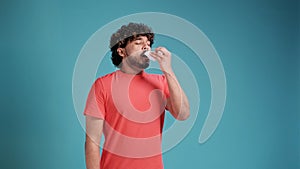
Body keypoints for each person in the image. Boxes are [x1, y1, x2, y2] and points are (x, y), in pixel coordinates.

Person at [84, 22, 190, 169]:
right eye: (138, 43)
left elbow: (183, 114)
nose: (146, 47)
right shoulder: (102, 85)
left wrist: (168, 69)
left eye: (148, 43)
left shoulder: (161, 82)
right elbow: (92, 141)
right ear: (122, 52)